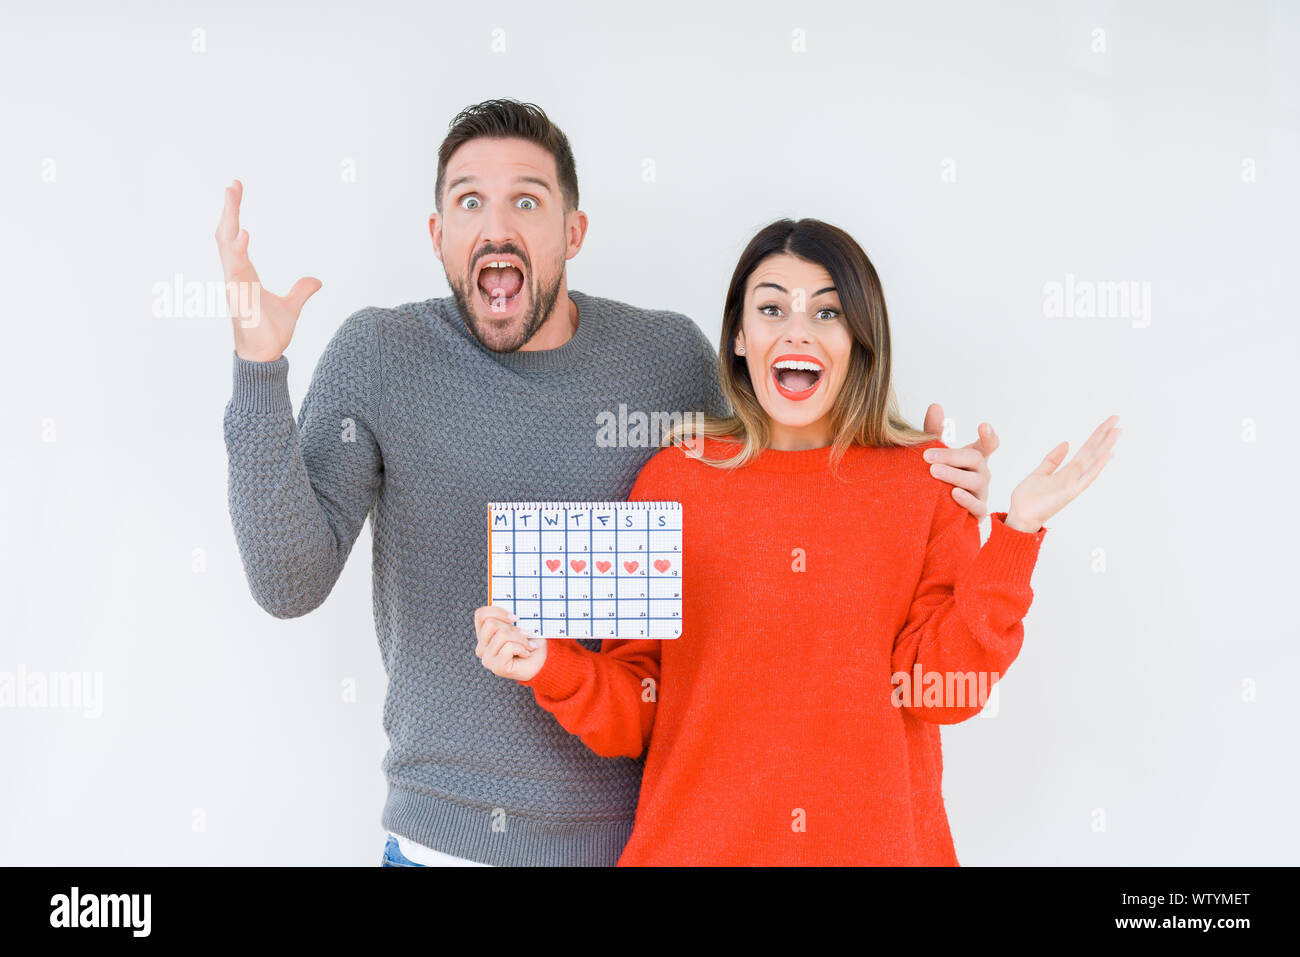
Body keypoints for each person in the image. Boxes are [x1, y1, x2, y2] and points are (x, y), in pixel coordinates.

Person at [219, 99, 996, 867]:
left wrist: (914, 471)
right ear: (438, 235)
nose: (498, 227)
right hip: (441, 843)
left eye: (527, 199)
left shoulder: (666, 359)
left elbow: (777, 476)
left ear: (573, 232)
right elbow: (288, 583)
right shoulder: (379, 355)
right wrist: (259, 370)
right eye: (469, 202)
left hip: (636, 838)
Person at [474, 217, 1121, 865]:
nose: (797, 329)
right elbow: (643, 708)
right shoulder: (674, 480)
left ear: (859, 338)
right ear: (738, 335)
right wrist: (546, 663)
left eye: (828, 311)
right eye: (772, 307)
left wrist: (1017, 533)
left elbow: (940, 688)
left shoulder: (925, 481)